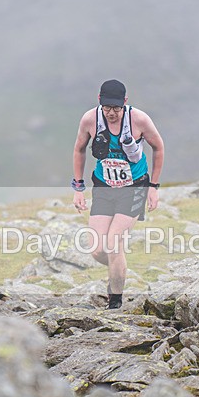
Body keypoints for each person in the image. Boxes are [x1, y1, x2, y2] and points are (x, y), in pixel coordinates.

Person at [71, 79, 165, 309]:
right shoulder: (90, 119)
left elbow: (158, 148)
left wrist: (153, 187)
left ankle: (115, 302)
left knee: (113, 245)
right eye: (107, 107)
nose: (111, 113)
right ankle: (118, 267)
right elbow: (79, 149)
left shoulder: (139, 120)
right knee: (97, 250)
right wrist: (78, 188)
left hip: (134, 187)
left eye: (116, 108)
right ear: (99, 102)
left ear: (125, 102)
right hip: (104, 186)